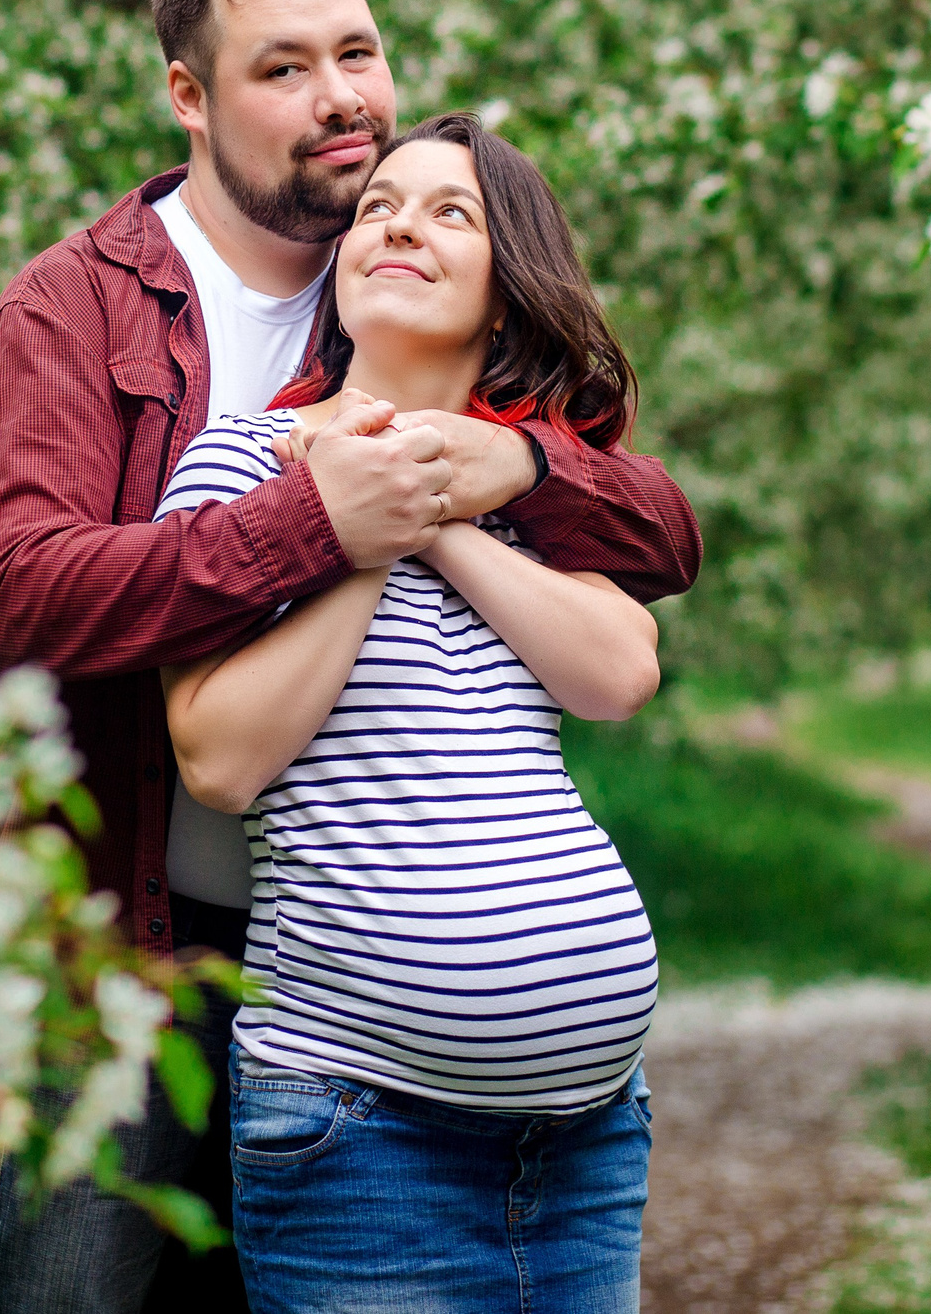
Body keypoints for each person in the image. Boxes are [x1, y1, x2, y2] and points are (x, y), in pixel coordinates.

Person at [0, 0, 700, 1313]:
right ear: (190, 95)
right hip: (112, 951)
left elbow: (655, 532)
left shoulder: (411, 297)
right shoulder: (76, 310)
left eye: (357, 51)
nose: (339, 96)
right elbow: (21, 596)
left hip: (335, 951)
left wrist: (513, 461)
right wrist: (322, 519)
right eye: (283, 68)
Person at [156, 111, 661, 1314]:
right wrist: (353, 531)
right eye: (379, 204)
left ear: (503, 296)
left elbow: (618, 672)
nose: (399, 225)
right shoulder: (241, 465)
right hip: (358, 1137)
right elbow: (218, 760)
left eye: (452, 212)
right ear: (336, 281)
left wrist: (436, 511)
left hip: (588, 1143)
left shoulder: (526, 478)